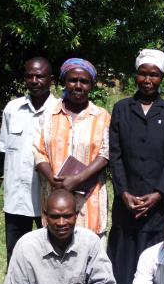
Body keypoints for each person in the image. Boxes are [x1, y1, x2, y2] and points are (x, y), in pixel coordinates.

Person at [108, 49, 164, 284]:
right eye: (143, 74)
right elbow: (115, 154)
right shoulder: (121, 109)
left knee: (154, 249)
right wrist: (123, 192)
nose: (148, 80)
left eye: (154, 75)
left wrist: (159, 193)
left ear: (162, 77)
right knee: (124, 247)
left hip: (158, 201)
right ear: (135, 75)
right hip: (127, 197)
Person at [34, 58, 110, 240]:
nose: (78, 86)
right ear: (64, 82)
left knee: (90, 247)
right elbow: (39, 151)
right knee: (54, 248)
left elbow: (105, 153)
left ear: (91, 85)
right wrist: (53, 179)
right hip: (55, 194)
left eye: (84, 81)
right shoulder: (48, 114)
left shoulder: (102, 116)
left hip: (89, 201)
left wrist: (78, 179)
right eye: (72, 80)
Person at [0, 57, 58, 265]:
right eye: (29, 76)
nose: (34, 81)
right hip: (17, 199)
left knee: (51, 255)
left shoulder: (60, 111)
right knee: (16, 255)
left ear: (51, 79)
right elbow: (5, 150)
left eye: (40, 76)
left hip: (48, 198)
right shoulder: (12, 109)